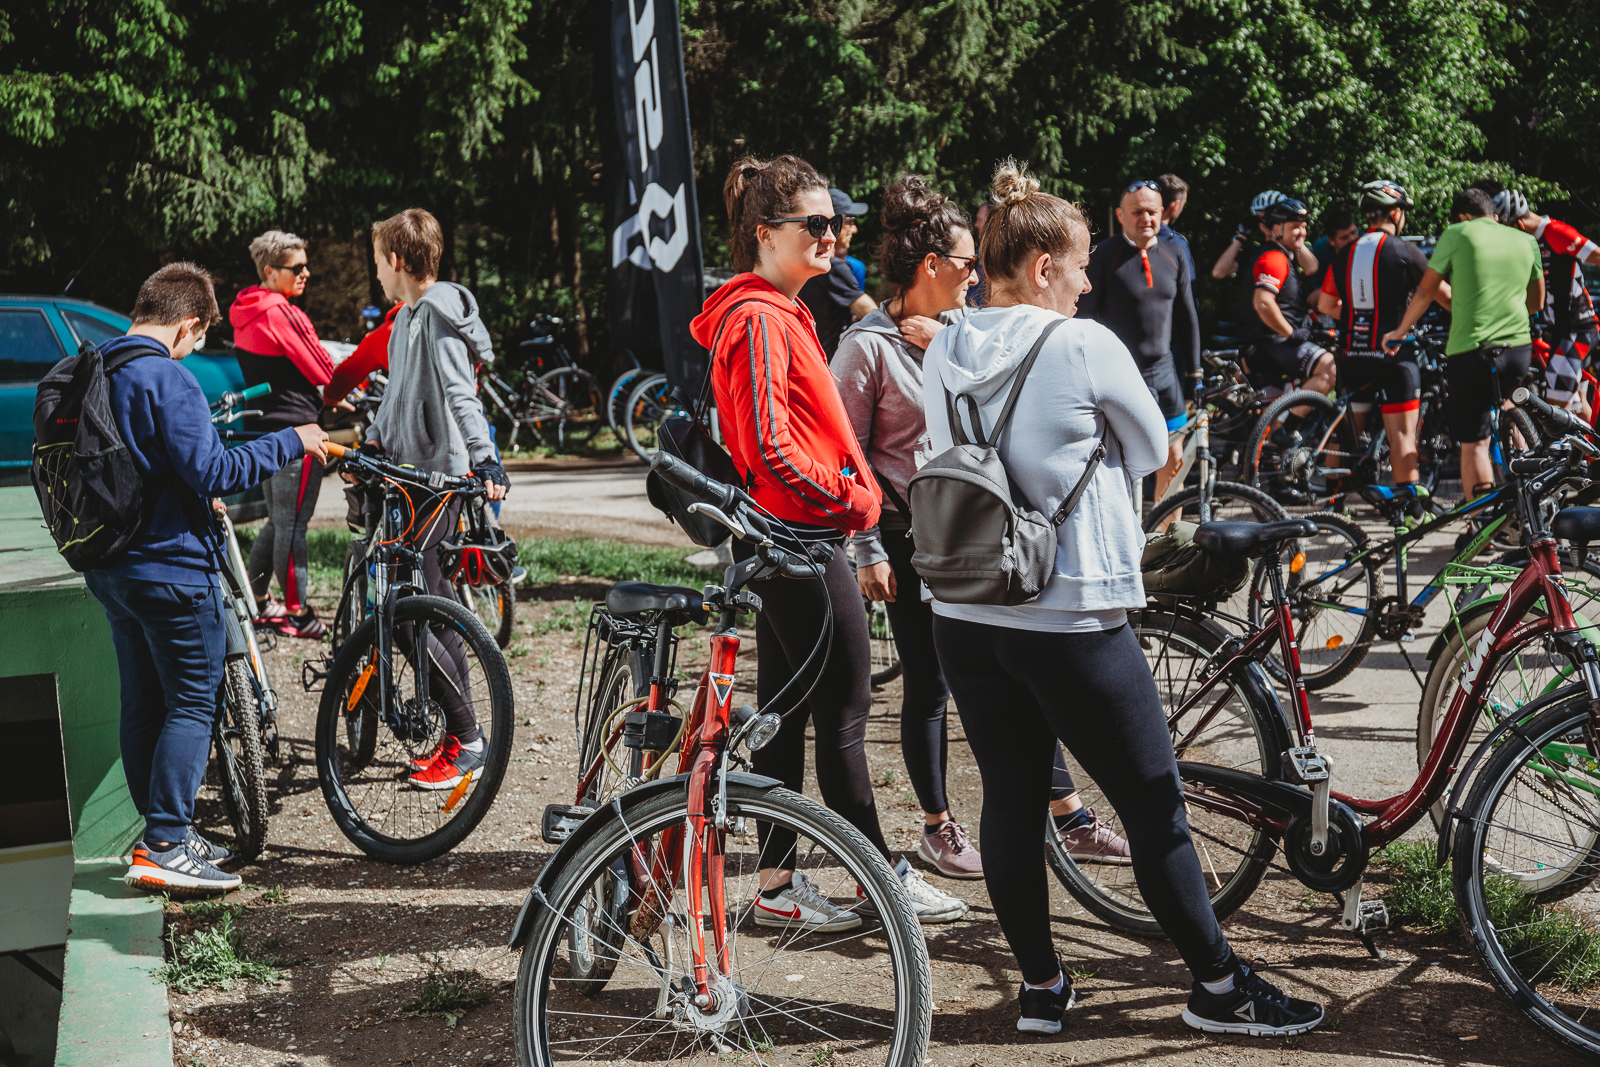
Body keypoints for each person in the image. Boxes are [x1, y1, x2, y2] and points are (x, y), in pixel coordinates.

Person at [924, 158, 1324, 1038]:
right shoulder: (1082, 342)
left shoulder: (947, 339)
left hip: (966, 610)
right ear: (1040, 268)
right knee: (1154, 807)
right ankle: (1218, 986)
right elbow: (1150, 451)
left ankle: (1040, 990)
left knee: (1011, 801)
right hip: (1069, 615)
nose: (1083, 282)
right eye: (1076, 267)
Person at [690, 154, 969, 928]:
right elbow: (771, 448)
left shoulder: (778, 310)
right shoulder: (758, 317)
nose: (832, 234)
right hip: (798, 540)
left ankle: (777, 886)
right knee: (844, 715)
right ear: (763, 234)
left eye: (832, 222)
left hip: (790, 540)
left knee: (784, 712)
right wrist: (858, 499)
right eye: (813, 223)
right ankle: (883, 880)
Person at [90, 263, 329, 894]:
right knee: (194, 700)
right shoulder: (166, 376)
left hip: (111, 568)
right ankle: (167, 842)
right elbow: (214, 468)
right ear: (188, 324)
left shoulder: (99, 370)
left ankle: (158, 833)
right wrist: (293, 439)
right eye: (197, 340)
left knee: (143, 701)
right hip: (170, 568)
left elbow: (147, 468)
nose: (194, 350)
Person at [833, 175, 986, 879]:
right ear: (932, 267)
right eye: (967, 263)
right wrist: (866, 549)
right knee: (929, 682)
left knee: (997, 669)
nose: (976, 275)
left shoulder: (968, 331)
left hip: (977, 529)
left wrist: (955, 351)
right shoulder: (865, 346)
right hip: (905, 537)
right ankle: (937, 824)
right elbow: (848, 455)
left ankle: (1062, 810)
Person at [363, 207, 510, 790]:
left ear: (397, 261)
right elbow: (397, 395)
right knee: (433, 608)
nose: (375, 273)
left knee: (410, 616)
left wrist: (484, 456)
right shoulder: (406, 319)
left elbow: (459, 393)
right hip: (406, 475)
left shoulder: (440, 315)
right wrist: (374, 440)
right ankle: (462, 736)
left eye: (377, 262)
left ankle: (469, 739)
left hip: (436, 481)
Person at [1383, 186, 1544, 500]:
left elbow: (1427, 290)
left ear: (1462, 216)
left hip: (1472, 350)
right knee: (1511, 408)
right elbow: (1537, 301)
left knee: (1475, 442)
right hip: (1518, 349)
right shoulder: (1525, 239)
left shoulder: (1457, 233)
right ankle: (1531, 498)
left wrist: (1400, 331)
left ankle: (1480, 522)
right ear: (1493, 215)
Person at [230, 230, 336, 639]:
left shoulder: (245, 309)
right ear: (271, 272)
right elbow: (323, 368)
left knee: (277, 521)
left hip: (265, 430)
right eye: (298, 267)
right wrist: (343, 393)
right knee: (293, 524)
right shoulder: (282, 311)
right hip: (299, 431)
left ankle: (257, 603)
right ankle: (297, 613)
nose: (306, 273)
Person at [1316, 180, 1446, 490]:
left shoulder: (1345, 252)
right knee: (1402, 436)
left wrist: (1358, 316)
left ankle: (1332, 503)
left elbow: (1325, 304)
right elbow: (1442, 296)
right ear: (1397, 213)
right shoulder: (1404, 250)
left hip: (1352, 353)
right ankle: (1408, 509)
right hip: (1393, 355)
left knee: (1345, 434)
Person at [1079, 179, 1201, 501]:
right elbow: (1084, 319)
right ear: (1121, 216)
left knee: (1174, 461)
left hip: (1163, 373)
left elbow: (1188, 316)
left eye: (1152, 212)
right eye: (1137, 212)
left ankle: (1166, 539)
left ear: (1163, 213)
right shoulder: (1104, 256)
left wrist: (1195, 373)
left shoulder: (1175, 252)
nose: (1146, 218)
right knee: (1117, 463)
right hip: (1119, 376)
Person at [1240, 197, 1338, 449]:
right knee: (1329, 368)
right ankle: (1292, 426)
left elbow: (1312, 266)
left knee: (1271, 424)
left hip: (1264, 346)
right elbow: (1263, 302)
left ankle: (1272, 479)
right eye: (1295, 226)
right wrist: (1291, 333)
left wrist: (1295, 240)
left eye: (1304, 226)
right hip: (1273, 344)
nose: (1302, 232)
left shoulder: (1284, 255)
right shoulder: (1273, 258)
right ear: (1274, 228)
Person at [1494, 188, 1600, 409]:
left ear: (1519, 226)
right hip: (1563, 329)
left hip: (1576, 328)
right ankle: (1588, 443)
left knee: (1555, 412)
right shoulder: (1534, 240)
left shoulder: (1554, 232)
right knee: (1578, 405)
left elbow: (1597, 255)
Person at [797, 187, 877, 358]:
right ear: (833, 223)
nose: (854, 229)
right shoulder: (832, 267)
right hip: (832, 366)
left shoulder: (805, 263)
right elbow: (872, 314)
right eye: (850, 220)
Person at [1210, 189, 1318, 281]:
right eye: (1260, 218)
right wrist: (1240, 238)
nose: (1265, 223)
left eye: (1270, 218)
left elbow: (1311, 268)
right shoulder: (1255, 247)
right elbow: (1218, 273)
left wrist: (1296, 244)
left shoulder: (1297, 243)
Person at [1307, 209, 1359, 296]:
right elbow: (1316, 291)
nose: (1352, 239)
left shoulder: (1365, 239)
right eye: (1344, 237)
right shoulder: (1321, 249)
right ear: (1331, 241)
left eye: (1354, 232)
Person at [1155, 173, 1196, 283]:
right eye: (1183, 204)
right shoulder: (1176, 243)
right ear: (1175, 205)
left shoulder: (1131, 236)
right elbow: (1189, 287)